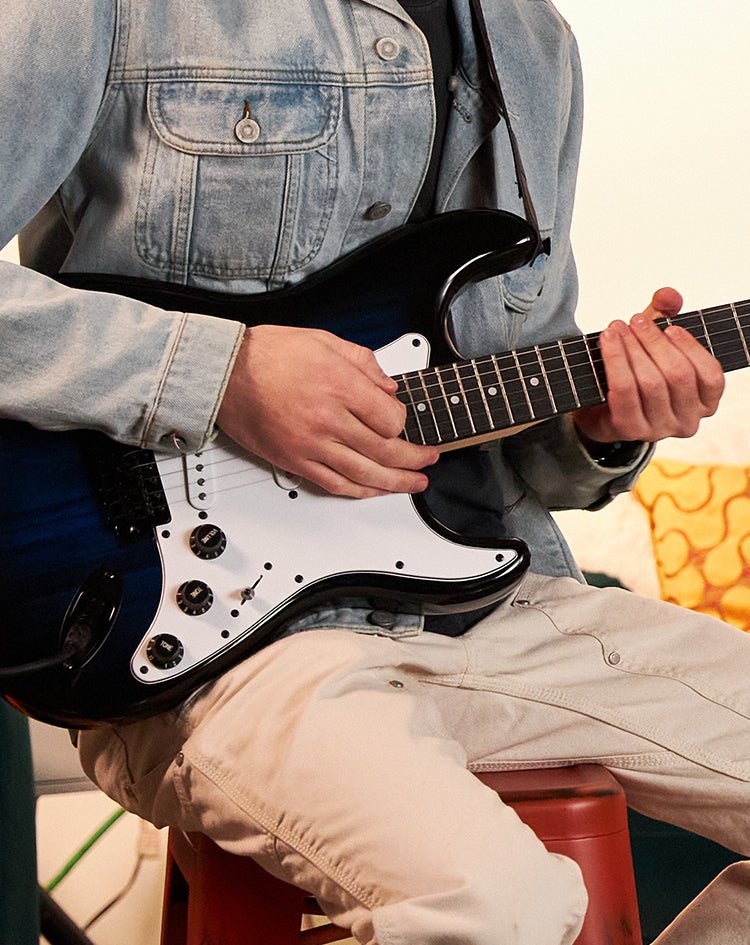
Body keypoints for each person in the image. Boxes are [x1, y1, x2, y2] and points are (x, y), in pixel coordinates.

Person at [1, 2, 748, 943]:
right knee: (499, 905)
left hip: (497, 607)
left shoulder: (531, 42)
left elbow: (521, 419)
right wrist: (219, 373)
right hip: (210, 639)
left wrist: (602, 428)